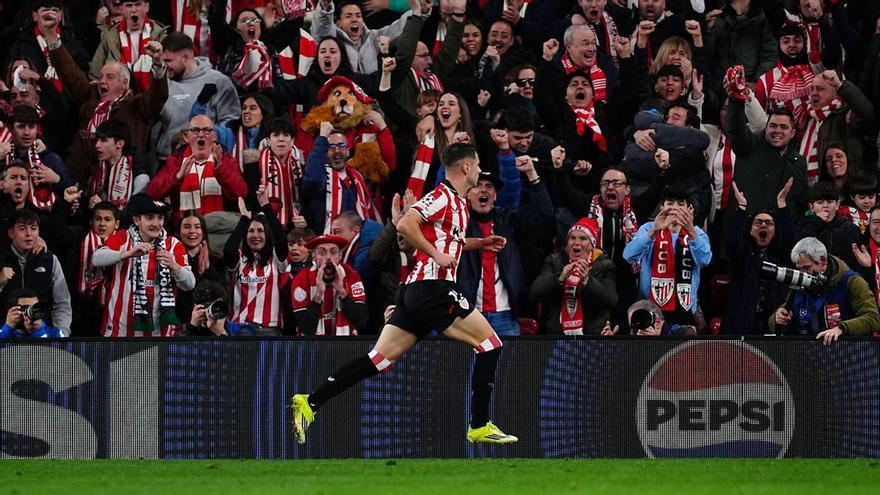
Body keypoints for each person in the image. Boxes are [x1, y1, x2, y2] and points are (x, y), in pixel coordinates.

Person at [289, 143, 518, 445]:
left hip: (415, 292)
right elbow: (407, 224)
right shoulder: (441, 196)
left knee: (380, 359)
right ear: (465, 167)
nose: (478, 171)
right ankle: (479, 425)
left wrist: (481, 243)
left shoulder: (459, 204)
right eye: (476, 165)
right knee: (490, 344)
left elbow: (450, 241)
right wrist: (435, 254)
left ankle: (310, 402)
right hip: (433, 288)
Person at [92, 194, 195, 337]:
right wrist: (127, 254)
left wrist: (174, 266)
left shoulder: (173, 245)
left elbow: (189, 284)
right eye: (149, 217)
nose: (156, 223)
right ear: (137, 220)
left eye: (160, 218)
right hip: (118, 332)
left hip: (158, 334)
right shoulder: (123, 237)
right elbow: (96, 259)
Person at [623, 186, 712, 328]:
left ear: (689, 209)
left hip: (686, 309)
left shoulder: (697, 233)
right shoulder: (648, 228)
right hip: (650, 310)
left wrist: (690, 230)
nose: (674, 208)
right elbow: (629, 256)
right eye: (670, 203)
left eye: (681, 204)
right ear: (661, 207)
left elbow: (704, 261)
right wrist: (654, 231)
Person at [770, 237, 879, 344]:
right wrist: (777, 319)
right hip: (807, 352)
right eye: (800, 268)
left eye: (807, 268)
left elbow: (873, 318)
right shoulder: (800, 284)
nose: (803, 273)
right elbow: (776, 321)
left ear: (822, 260)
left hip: (846, 351)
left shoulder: (851, 282)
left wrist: (842, 328)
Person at [722, 181, 796, 335]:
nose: (763, 225)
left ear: (775, 232)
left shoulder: (781, 257)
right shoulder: (742, 255)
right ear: (749, 230)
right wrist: (741, 208)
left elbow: (789, 240)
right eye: (758, 223)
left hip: (773, 325)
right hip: (742, 326)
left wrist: (782, 204)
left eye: (769, 223)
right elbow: (731, 242)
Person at [155, 32, 241, 162]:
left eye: (168, 61)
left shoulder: (217, 81)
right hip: (167, 160)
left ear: (186, 57)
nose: (164, 65)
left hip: (205, 161)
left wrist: (202, 138)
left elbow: (231, 122)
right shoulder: (163, 83)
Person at [146, 114, 248, 219]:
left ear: (214, 136)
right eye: (195, 130)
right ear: (188, 136)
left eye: (206, 130)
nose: (201, 135)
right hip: (183, 225)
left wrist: (220, 168)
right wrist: (177, 177)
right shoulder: (176, 160)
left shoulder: (225, 158)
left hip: (219, 225)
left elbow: (241, 193)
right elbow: (152, 192)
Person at [529, 217, 618, 335]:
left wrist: (588, 281)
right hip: (558, 335)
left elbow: (611, 301)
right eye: (572, 238)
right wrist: (559, 278)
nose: (576, 243)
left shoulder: (605, 265)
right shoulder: (554, 261)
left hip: (591, 334)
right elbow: (534, 294)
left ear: (592, 244)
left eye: (583, 238)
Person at [0, 208, 72, 336]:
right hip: (6, 335)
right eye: (22, 229)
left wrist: (62, 334)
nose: (29, 234)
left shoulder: (50, 260)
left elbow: (62, 303)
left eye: (33, 228)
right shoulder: (2, 259)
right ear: (11, 233)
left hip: (41, 334)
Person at [311, 0, 429, 75]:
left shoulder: (373, 38)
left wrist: (419, 11)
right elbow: (322, 27)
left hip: (370, 101)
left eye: (358, 15)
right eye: (348, 16)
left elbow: (398, 28)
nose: (354, 19)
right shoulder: (333, 40)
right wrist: (325, 6)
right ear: (338, 23)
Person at [290, 233, 368, 336]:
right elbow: (306, 329)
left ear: (340, 255)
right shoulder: (301, 279)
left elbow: (360, 321)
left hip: (345, 343)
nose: (328, 257)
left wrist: (342, 292)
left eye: (333, 252)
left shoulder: (351, 275)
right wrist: (318, 295)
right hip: (312, 344)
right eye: (322, 252)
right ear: (314, 256)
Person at [89, 0, 168, 92]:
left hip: (151, 97)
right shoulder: (110, 37)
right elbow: (94, 76)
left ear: (147, 6)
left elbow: (170, 75)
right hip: (119, 98)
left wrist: (158, 62)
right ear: (122, 9)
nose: (133, 10)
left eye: (137, 4)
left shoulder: (160, 36)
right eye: (129, 5)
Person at [795, 181, 862, 270]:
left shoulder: (851, 229)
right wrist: (817, 222)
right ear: (811, 207)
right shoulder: (802, 226)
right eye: (820, 202)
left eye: (829, 202)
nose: (825, 206)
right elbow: (797, 254)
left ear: (837, 205)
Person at [89, 119, 149, 210]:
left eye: (103, 140)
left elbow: (136, 214)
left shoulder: (140, 178)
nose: (97, 145)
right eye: (97, 140)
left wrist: (103, 208)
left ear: (120, 144)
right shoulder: (98, 167)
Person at [182, 280, 255, 337]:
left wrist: (222, 333)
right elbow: (180, 350)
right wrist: (192, 328)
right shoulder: (189, 331)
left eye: (217, 306)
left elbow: (243, 351)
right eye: (207, 306)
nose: (212, 311)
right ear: (196, 308)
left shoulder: (240, 330)